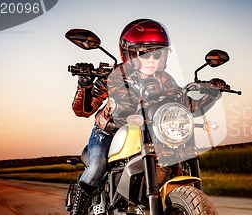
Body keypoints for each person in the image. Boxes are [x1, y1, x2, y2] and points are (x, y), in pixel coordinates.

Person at [69, 19, 228, 215]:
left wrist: (211, 93)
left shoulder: (165, 79)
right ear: (128, 53)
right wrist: (84, 84)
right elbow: (83, 110)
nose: (152, 60)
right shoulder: (114, 76)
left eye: (157, 53)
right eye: (144, 53)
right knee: (97, 166)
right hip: (109, 133)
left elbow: (185, 106)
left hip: (152, 131)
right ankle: (77, 211)